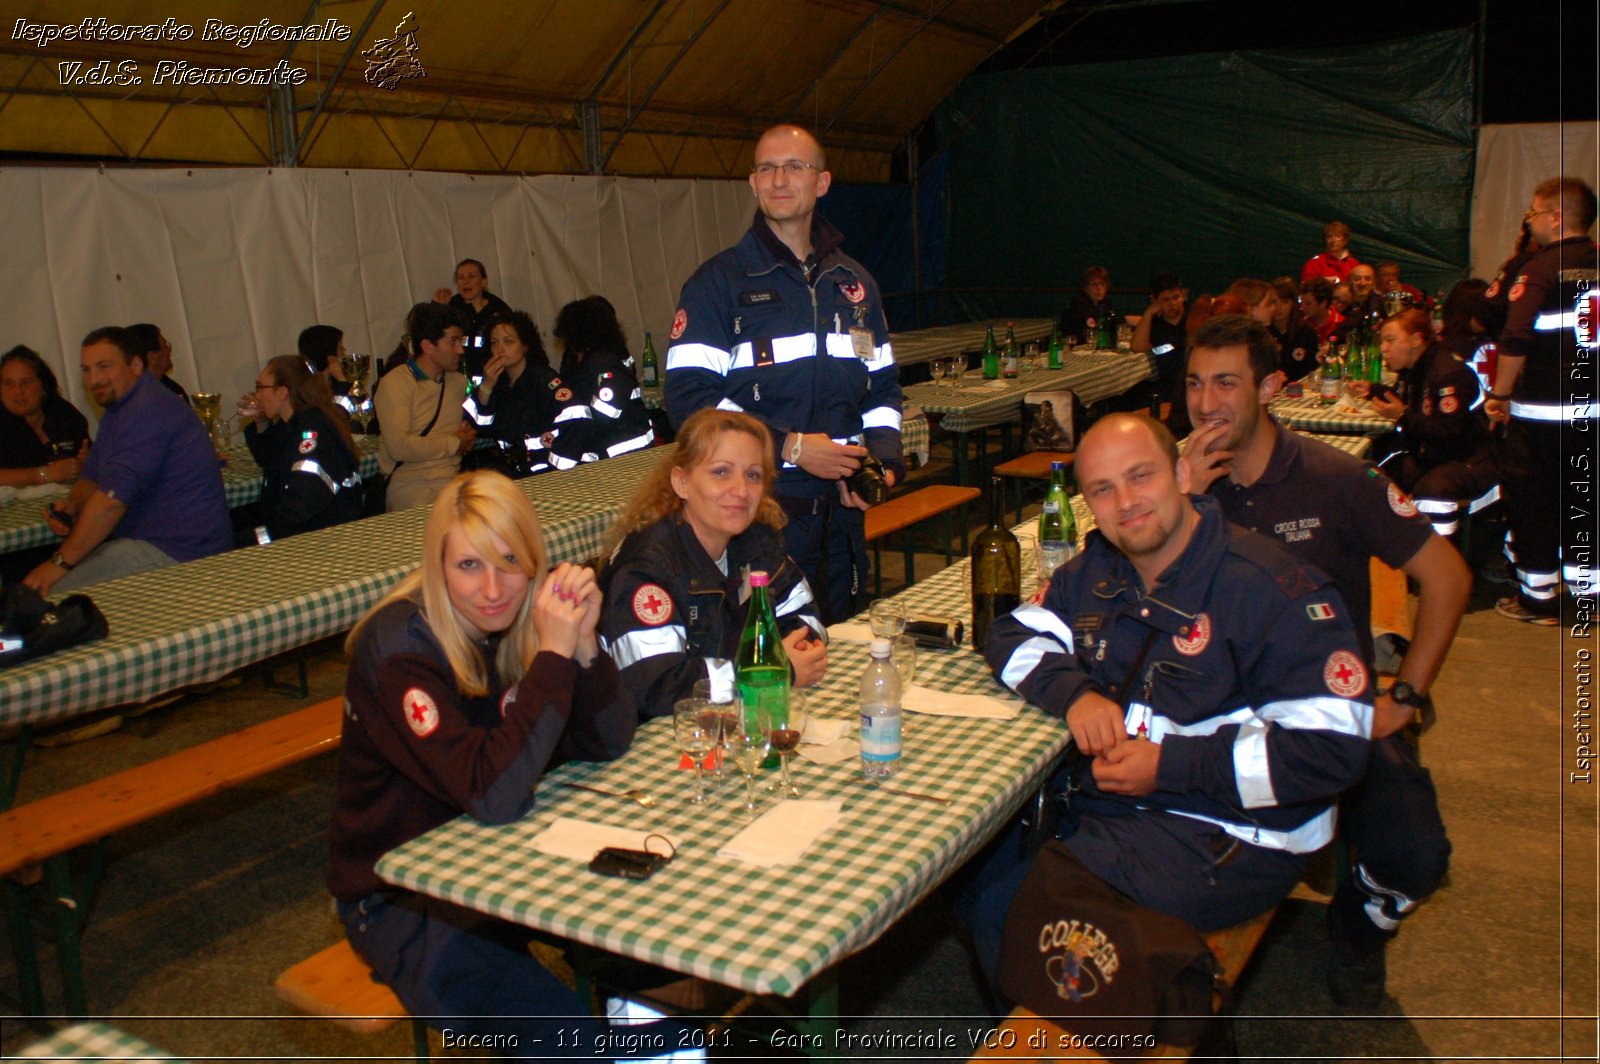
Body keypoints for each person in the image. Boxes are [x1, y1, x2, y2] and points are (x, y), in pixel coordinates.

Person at [960, 413, 1371, 983]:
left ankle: (1122, 1019)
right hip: (1121, 808)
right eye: (1102, 489)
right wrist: (1076, 695)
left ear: (1181, 473)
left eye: (1140, 476)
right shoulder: (1102, 567)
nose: (1125, 501)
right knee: (972, 873)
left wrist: (1171, 766)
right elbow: (1011, 633)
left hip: (1235, 834)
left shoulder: (1268, 589)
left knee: (1006, 913)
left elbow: (1332, 751)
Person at [1182, 315, 1466, 1007]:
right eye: (1194, 383)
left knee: (1416, 856)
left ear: (1271, 387)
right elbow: (1135, 593)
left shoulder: (1336, 478)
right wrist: (1180, 499)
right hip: (1214, 710)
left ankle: (1361, 927)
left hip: (1329, 709)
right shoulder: (1177, 483)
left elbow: (1449, 578)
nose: (1206, 401)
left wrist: (1404, 699)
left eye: (1227, 382)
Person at [329, 471, 632, 1059]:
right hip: (402, 896)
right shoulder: (401, 652)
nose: (492, 589)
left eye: (509, 563)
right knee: (574, 1039)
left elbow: (609, 742)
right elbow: (492, 794)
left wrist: (587, 645)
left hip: (506, 863)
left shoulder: (522, 623)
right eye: (469, 566)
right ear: (438, 565)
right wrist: (552, 655)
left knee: (653, 965)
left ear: (535, 564)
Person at [664, 123, 903, 624]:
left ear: (822, 182)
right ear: (752, 183)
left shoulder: (854, 283)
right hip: (757, 514)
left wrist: (879, 460)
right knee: (768, 654)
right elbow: (689, 401)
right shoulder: (717, 283)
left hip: (840, 516)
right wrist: (790, 446)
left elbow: (881, 388)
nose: (779, 179)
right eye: (767, 168)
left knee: (838, 646)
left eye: (795, 167)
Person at [598, 408, 827, 720]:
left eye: (753, 475)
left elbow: (805, 618)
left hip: (732, 720)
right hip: (657, 739)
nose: (741, 490)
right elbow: (657, 687)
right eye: (721, 472)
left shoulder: (757, 542)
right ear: (681, 482)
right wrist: (768, 670)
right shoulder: (647, 568)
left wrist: (796, 650)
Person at [23, 326, 230, 595]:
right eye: (86, 369)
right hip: (149, 544)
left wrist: (59, 564)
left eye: (104, 367)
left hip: (183, 554)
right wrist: (73, 505)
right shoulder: (121, 408)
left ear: (134, 365)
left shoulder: (149, 410)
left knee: (50, 597)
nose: (94, 378)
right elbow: (94, 478)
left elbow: (110, 503)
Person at [1485, 176, 1600, 624]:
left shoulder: (1539, 269)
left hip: (1542, 416)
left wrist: (1499, 394)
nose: (1529, 221)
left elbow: (1515, 337)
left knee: (1534, 504)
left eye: (1533, 212)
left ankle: (1540, 601)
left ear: (1555, 218)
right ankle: (1588, 597)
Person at [1358, 308, 1498, 538]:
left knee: (1431, 493)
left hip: (1469, 460)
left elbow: (1449, 433)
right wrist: (1374, 390)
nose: (1383, 348)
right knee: (1368, 478)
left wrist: (1402, 416)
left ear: (1416, 340)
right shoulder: (1418, 367)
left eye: (1390, 340)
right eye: (1382, 341)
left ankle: (1437, 558)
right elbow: (1415, 405)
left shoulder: (1448, 375)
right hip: (1433, 453)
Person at [240, 354, 364, 543]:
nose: (256, 395)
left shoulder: (312, 428)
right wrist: (261, 420)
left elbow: (303, 501)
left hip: (324, 539)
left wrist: (258, 538)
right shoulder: (295, 421)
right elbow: (269, 459)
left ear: (282, 392)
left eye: (260, 387)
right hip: (311, 532)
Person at [375, 302, 474, 512]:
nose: (460, 349)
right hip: (410, 485)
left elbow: (469, 427)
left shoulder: (458, 382)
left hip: (453, 480)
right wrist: (453, 443)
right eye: (453, 341)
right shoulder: (396, 383)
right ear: (428, 346)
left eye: (461, 341)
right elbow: (399, 447)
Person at [469, 311, 594, 475]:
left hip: (548, 473)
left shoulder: (544, 380)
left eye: (509, 342)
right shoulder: (498, 384)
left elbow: (579, 418)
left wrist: (558, 468)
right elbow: (479, 429)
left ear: (525, 345)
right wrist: (486, 386)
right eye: (494, 343)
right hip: (516, 472)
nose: (500, 349)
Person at [553, 295, 654, 460]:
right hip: (609, 449)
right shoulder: (579, 359)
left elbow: (606, 412)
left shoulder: (601, 363)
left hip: (625, 454)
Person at [0, 345, 89, 488]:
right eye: (8, 383)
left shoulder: (65, 414)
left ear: (44, 385)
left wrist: (89, 462)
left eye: (26, 382)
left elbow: (88, 457)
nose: (17, 391)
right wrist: (43, 474)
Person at [432, 258, 512, 376]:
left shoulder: (497, 308)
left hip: (494, 372)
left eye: (472, 276)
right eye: (461, 277)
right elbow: (432, 333)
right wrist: (437, 306)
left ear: (484, 281)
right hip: (459, 373)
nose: (466, 282)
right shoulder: (451, 307)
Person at [1128, 272, 1187, 414]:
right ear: (1154, 301)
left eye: (1176, 297)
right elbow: (1137, 347)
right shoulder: (1155, 323)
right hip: (1168, 384)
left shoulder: (1193, 317)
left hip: (1189, 381)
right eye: (1165, 300)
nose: (1173, 303)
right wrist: (1148, 313)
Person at [1269, 276, 1320, 382]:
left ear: (1293, 303)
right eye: (1274, 302)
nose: (1279, 308)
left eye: (1284, 302)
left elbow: (1312, 370)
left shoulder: (1306, 332)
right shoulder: (1264, 332)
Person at [126, 322, 189, 402]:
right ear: (152, 357)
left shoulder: (172, 388)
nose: (169, 350)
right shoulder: (143, 396)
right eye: (165, 346)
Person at [1059, 266, 1121, 342]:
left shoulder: (1106, 303)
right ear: (1085, 287)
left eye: (1102, 284)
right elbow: (1088, 331)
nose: (1099, 288)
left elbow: (1118, 323)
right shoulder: (1078, 304)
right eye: (1094, 284)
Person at [1301, 220, 1361, 285]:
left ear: (1345, 240)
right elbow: (1307, 290)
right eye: (1329, 237)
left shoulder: (1354, 264)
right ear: (1325, 240)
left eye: (1338, 236)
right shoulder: (1314, 264)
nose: (1333, 240)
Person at [1298, 276, 1345, 347]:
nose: (1302, 307)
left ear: (1323, 303)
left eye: (1308, 304)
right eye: (1301, 302)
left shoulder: (1341, 323)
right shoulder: (1301, 324)